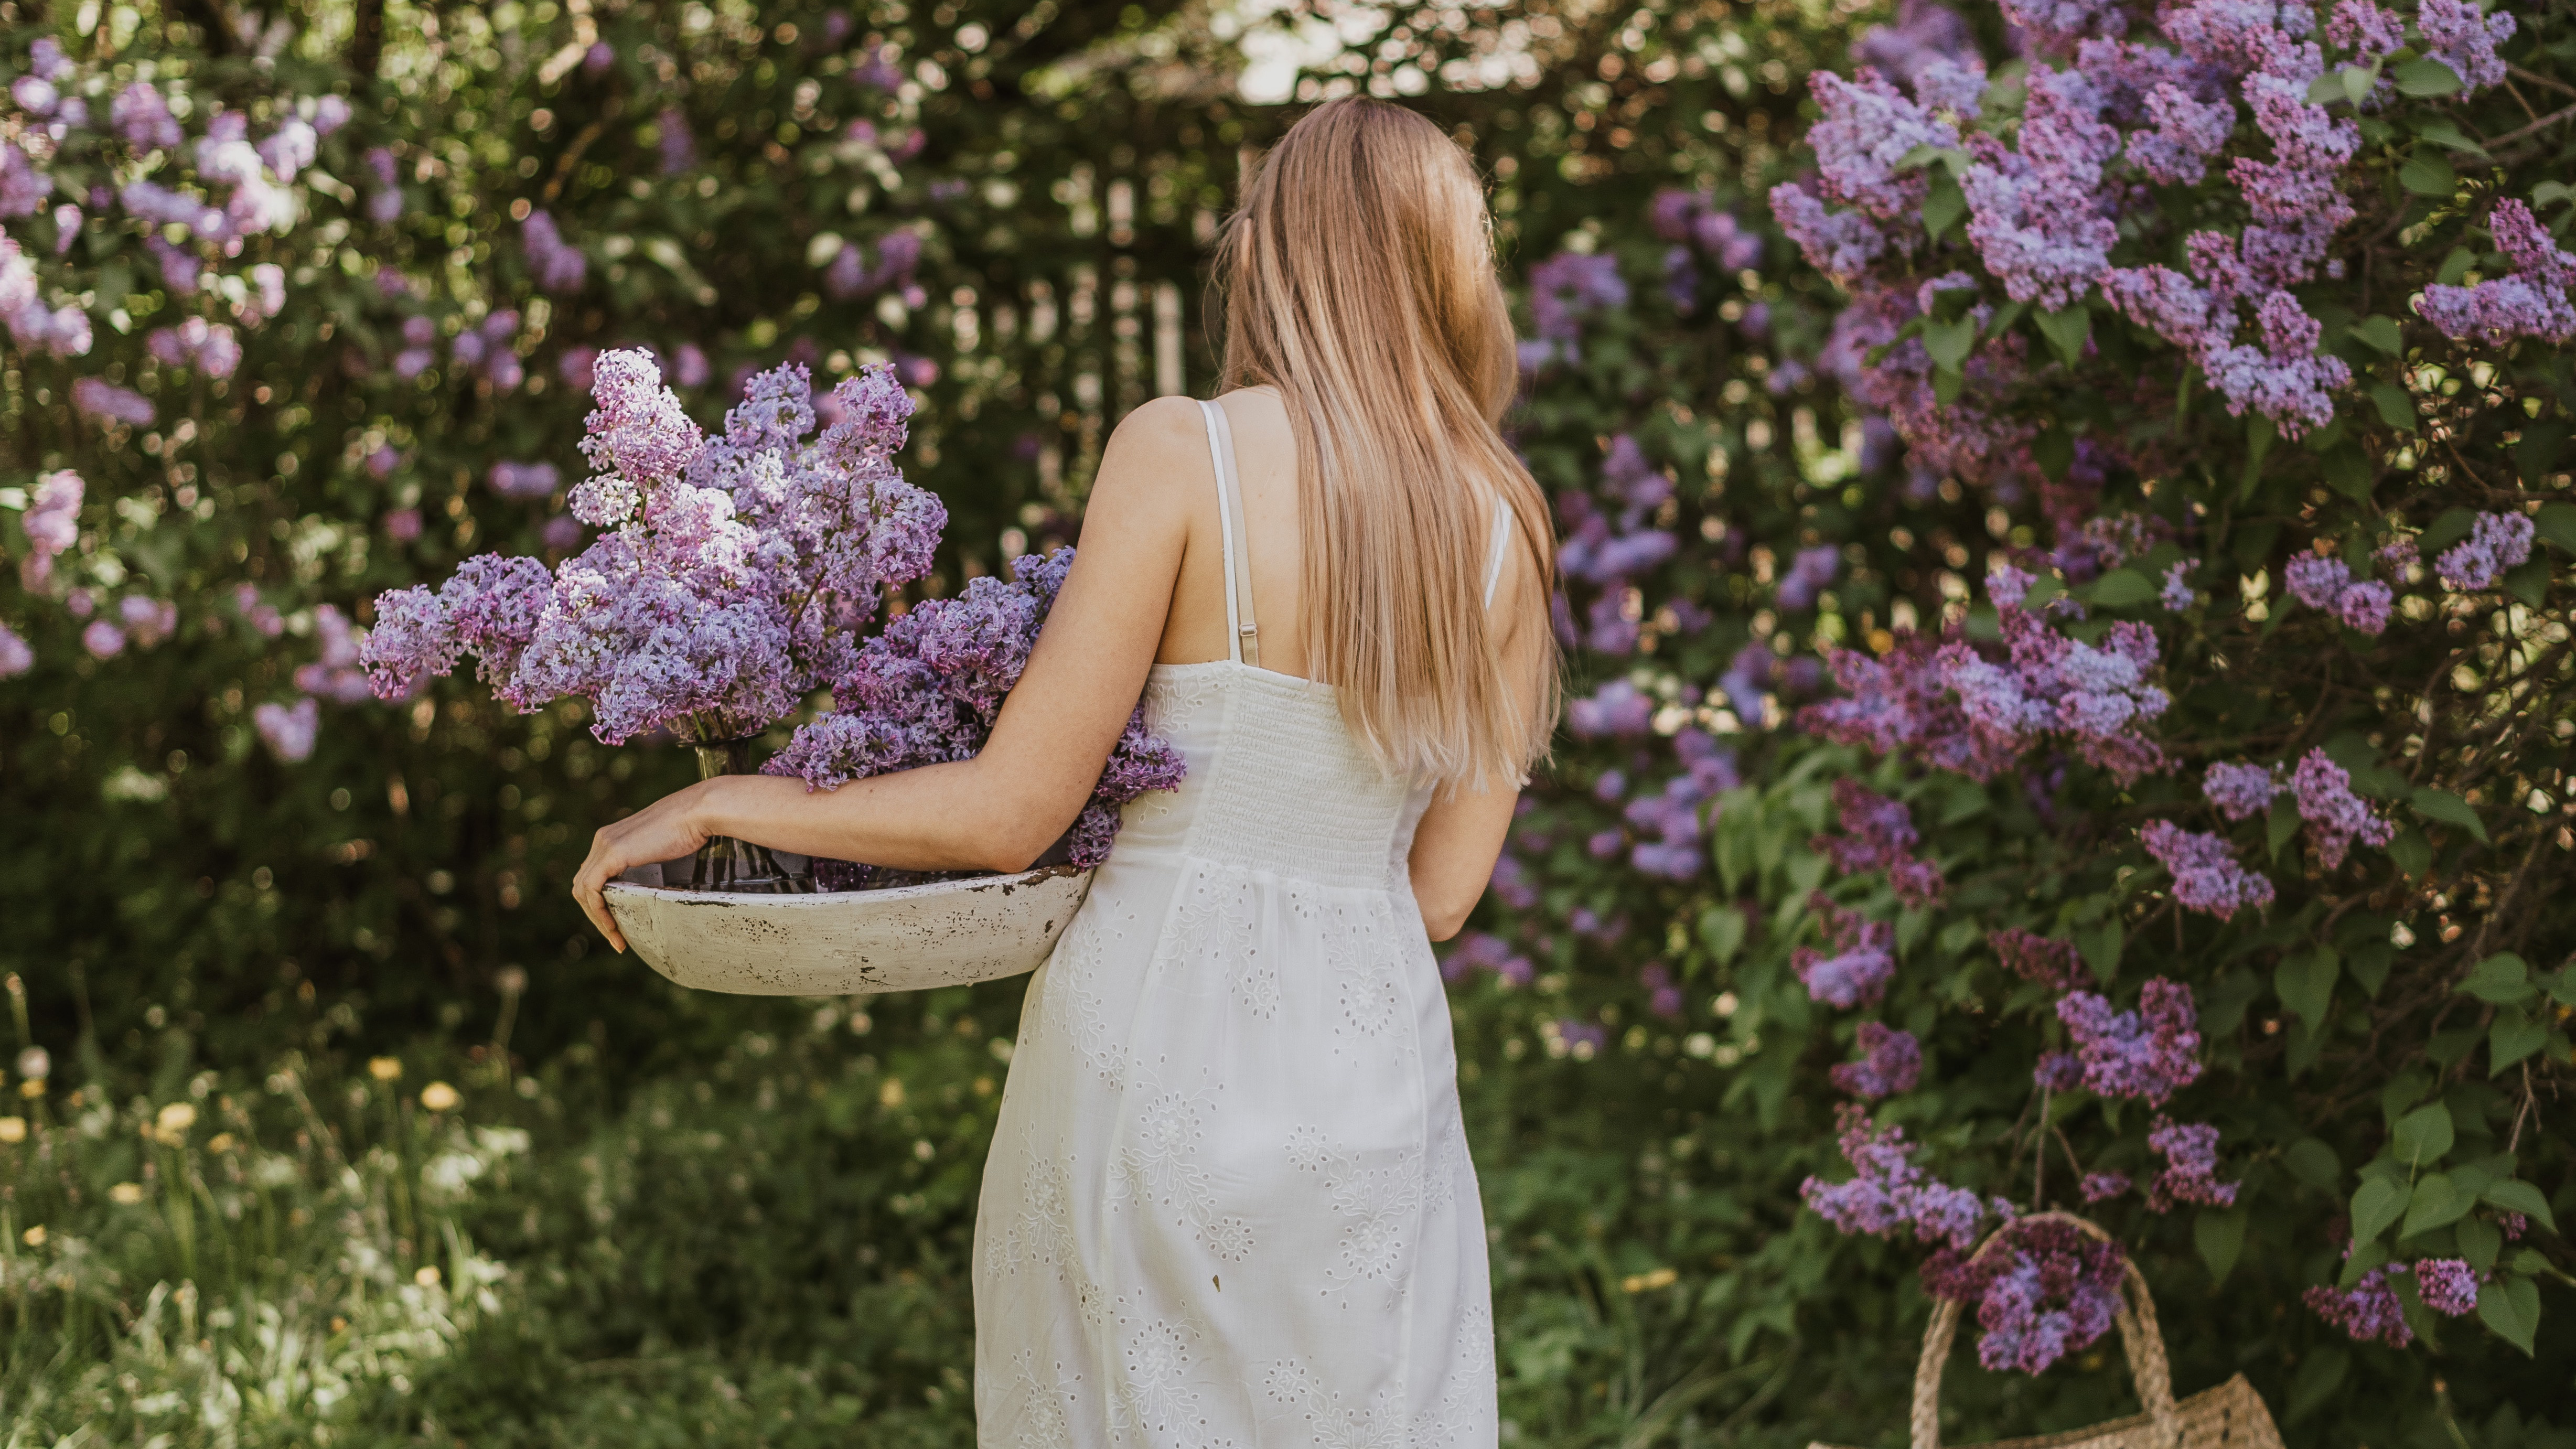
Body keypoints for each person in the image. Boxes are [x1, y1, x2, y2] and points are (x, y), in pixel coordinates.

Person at [571, 95, 1558, 1447]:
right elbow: (1443, 892)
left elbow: (1011, 811)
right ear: (1453, 272)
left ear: (1274, 256)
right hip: (1373, 1055)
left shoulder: (1186, 454)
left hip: (1158, 1035)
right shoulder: (1505, 522)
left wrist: (729, 797)